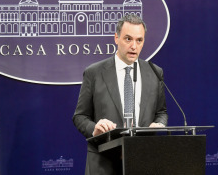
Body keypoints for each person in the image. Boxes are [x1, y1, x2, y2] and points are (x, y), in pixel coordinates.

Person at [72, 14, 168, 175]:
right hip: (103, 162)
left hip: (143, 160)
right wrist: (94, 128)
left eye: (139, 40)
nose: (134, 46)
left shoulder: (154, 72)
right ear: (116, 38)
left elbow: (161, 112)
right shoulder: (94, 73)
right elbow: (80, 116)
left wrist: (159, 124)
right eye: (128, 39)